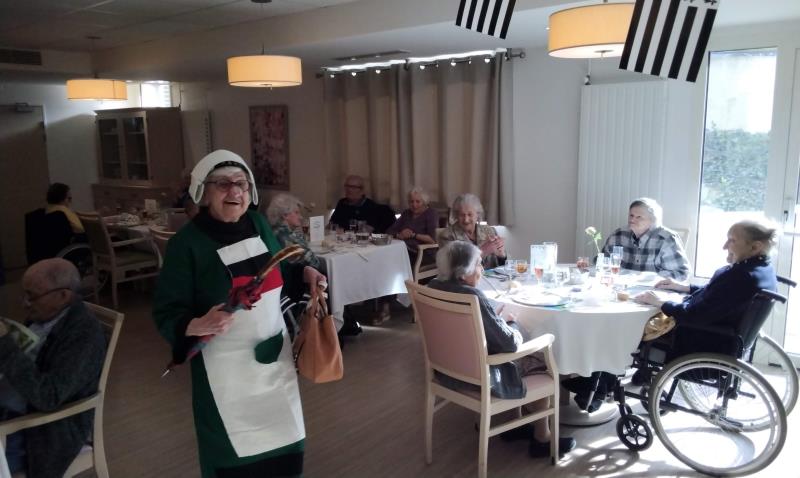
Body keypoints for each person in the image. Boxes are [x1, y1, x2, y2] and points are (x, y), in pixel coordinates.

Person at [152, 150, 326, 478]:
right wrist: (195, 324)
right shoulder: (186, 244)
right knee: (234, 461)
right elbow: (166, 309)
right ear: (204, 192)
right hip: (226, 373)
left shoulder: (258, 223)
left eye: (241, 183)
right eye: (222, 184)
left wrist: (305, 273)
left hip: (275, 363)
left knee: (287, 451)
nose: (234, 191)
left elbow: (275, 270)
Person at [427, 241, 576, 458]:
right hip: (480, 377)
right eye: (479, 264)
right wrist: (511, 323)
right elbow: (509, 344)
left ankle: (514, 422)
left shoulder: (433, 287)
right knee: (538, 359)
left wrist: (492, 321)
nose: (482, 269)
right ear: (463, 274)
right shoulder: (473, 297)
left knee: (508, 352)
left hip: (447, 371)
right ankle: (542, 437)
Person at [0, 258, 106, 477]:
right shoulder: (44, 317)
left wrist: (6, 346)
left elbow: (48, 397)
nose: (25, 304)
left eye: (32, 296)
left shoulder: (83, 335)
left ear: (63, 296)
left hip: (38, 434)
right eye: (24, 294)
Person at [635, 219, 777, 356]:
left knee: (635, 327)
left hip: (701, 340)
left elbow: (693, 315)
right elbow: (719, 295)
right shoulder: (761, 269)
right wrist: (685, 287)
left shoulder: (741, 277)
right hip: (720, 335)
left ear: (755, 247)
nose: (725, 246)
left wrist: (661, 302)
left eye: (732, 240)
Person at [602, 197, 689, 280]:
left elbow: (681, 273)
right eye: (631, 215)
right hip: (620, 286)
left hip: (655, 288)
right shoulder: (618, 235)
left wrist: (651, 279)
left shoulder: (666, 239)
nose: (632, 220)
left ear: (652, 220)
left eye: (639, 217)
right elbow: (602, 262)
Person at [438, 193, 506, 269]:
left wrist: (501, 255)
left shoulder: (489, 231)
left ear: (477, 215)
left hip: (492, 276)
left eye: (470, 214)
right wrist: (482, 251)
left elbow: (501, 266)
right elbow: (455, 267)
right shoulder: (447, 236)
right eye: (462, 215)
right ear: (456, 215)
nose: (466, 220)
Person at [267, 192, 325, 273]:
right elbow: (315, 263)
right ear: (285, 215)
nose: (301, 217)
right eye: (297, 212)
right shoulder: (290, 238)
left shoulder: (270, 231)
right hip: (294, 278)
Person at [386, 186, 439, 266]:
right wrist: (399, 235)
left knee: (393, 260)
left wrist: (413, 235)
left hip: (422, 254)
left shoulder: (431, 214)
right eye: (411, 202)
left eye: (418, 202)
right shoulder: (406, 213)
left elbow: (433, 240)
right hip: (404, 249)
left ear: (424, 202)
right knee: (386, 255)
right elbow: (389, 231)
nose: (414, 205)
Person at [329, 175, 395, 233]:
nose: (349, 189)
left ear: (362, 191)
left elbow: (367, 231)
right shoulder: (342, 203)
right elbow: (332, 224)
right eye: (347, 186)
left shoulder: (371, 207)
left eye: (353, 187)